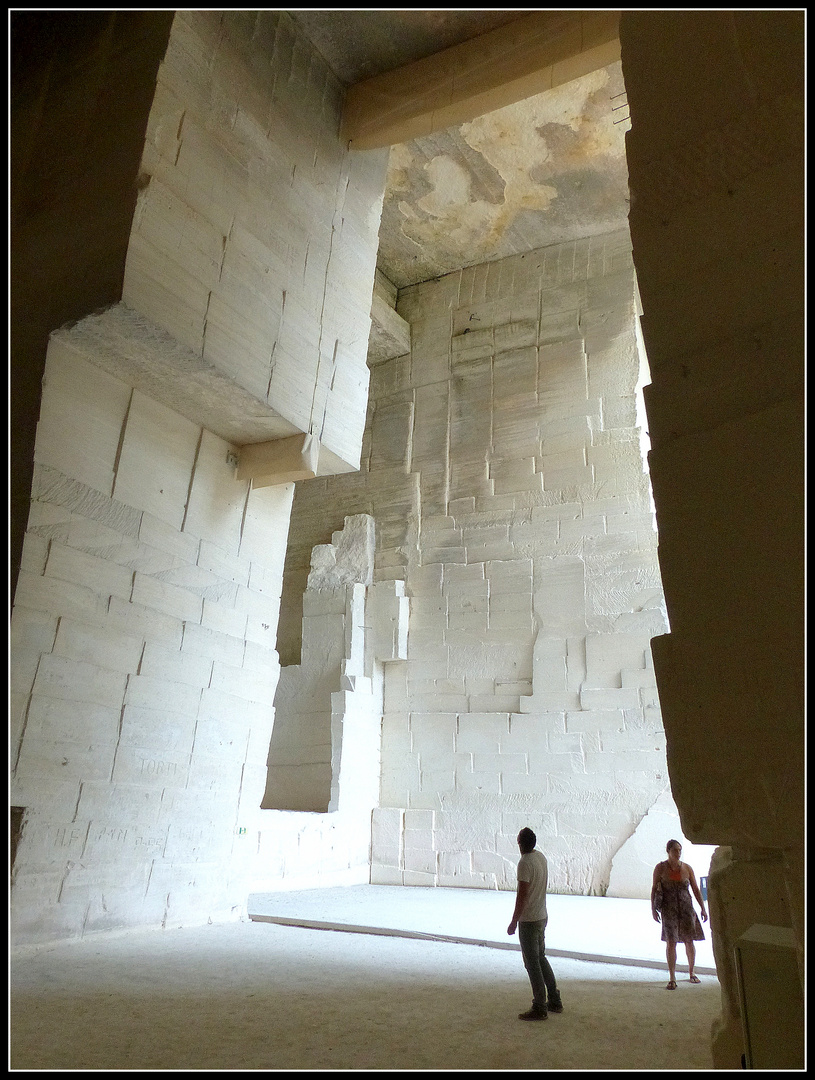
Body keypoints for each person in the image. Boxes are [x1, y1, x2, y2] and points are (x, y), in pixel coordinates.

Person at [507, 827, 563, 1021]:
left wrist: (514, 921)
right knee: (541, 958)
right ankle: (554, 999)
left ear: (520, 843)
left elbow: (522, 895)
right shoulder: (540, 857)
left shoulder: (524, 863)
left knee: (532, 964)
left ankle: (540, 1006)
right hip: (542, 916)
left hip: (529, 919)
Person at [651, 839, 708, 989]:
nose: (678, 853)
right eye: (675, 850)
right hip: (669, 910)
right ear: (668, 851)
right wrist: (653, 909)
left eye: (679, 850)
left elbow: (696, 889)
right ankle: (672, 976)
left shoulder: (687, 868)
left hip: (686, 908)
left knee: (689, 940)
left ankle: (692, 972)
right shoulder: (660, 868)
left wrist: (702, 907)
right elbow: (653, 888)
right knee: (671, 942)